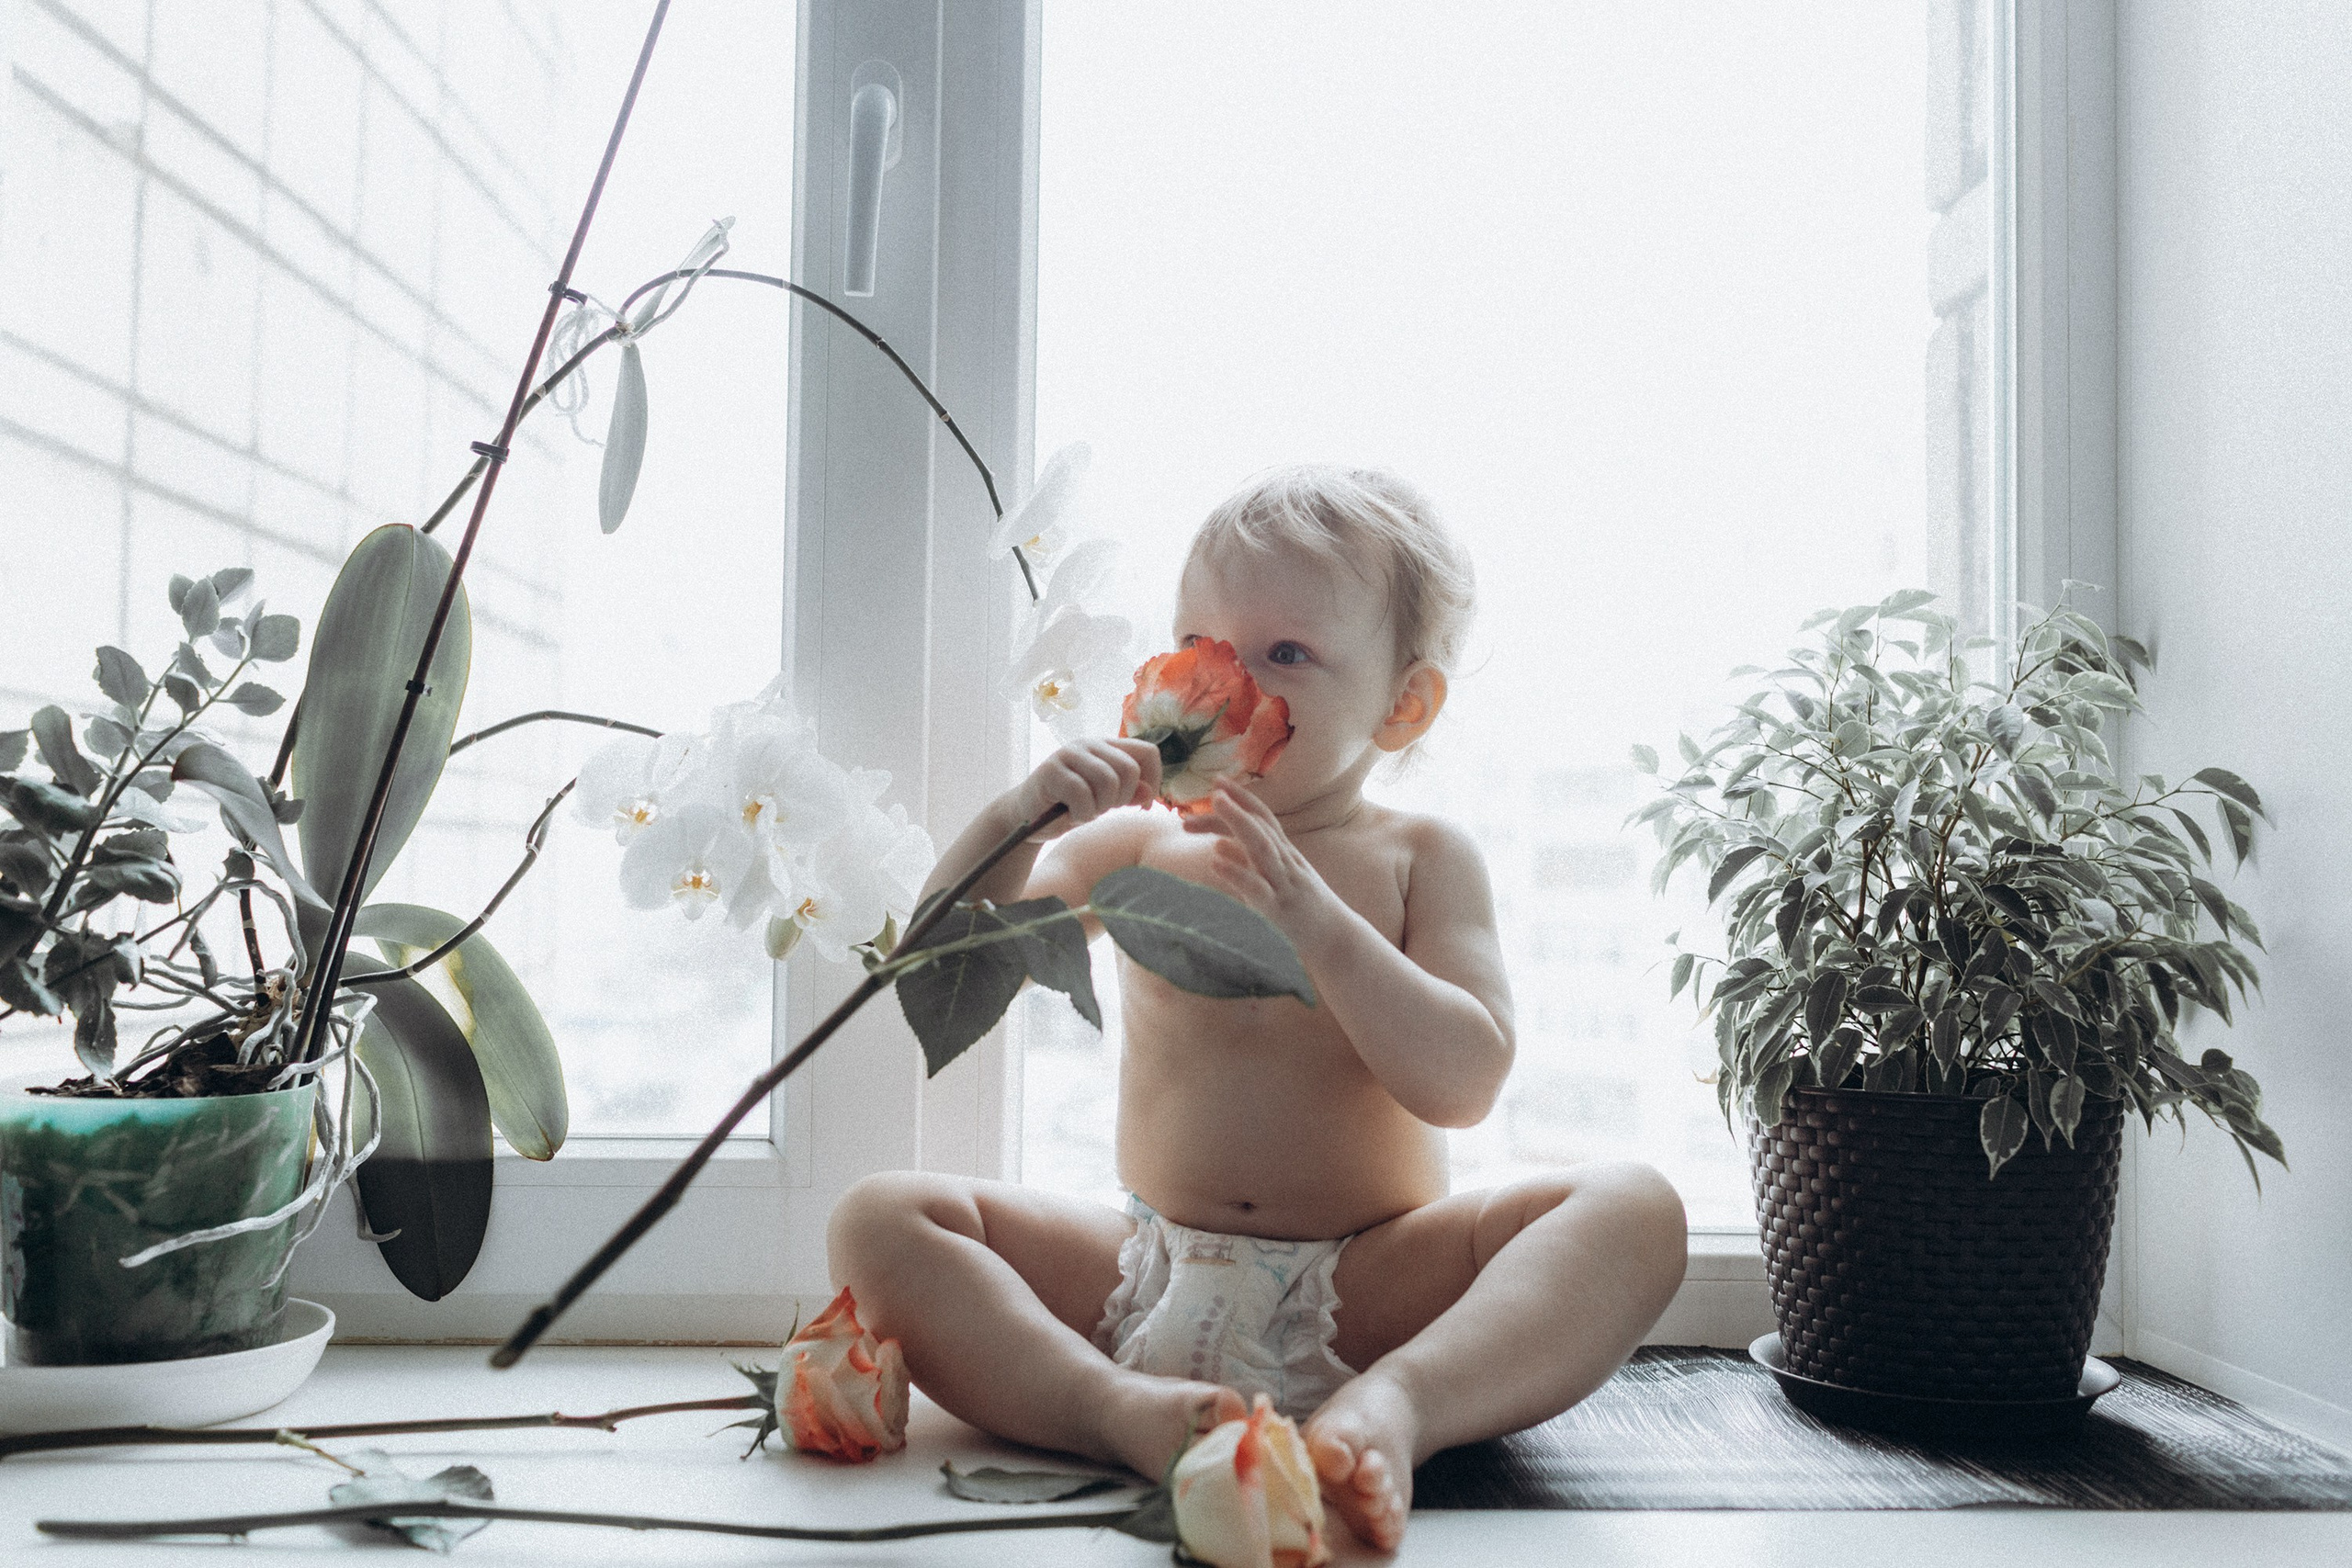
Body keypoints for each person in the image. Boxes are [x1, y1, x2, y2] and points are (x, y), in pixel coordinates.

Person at [829, 465, 1686, 1551]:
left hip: (1368, 1291)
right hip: (1140, 1276)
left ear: (1402, 705)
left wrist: (1316, 920)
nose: (1226, 681)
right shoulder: (1139, 846)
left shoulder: (1419, 857)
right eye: (1201, 645)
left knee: (1634, 1209)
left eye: (1285, 654)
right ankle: (1113, 1409)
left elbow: (1463, 1083)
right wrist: (1022, 817)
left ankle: (1402, 1406)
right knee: (876, 1221)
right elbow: (944, 961)